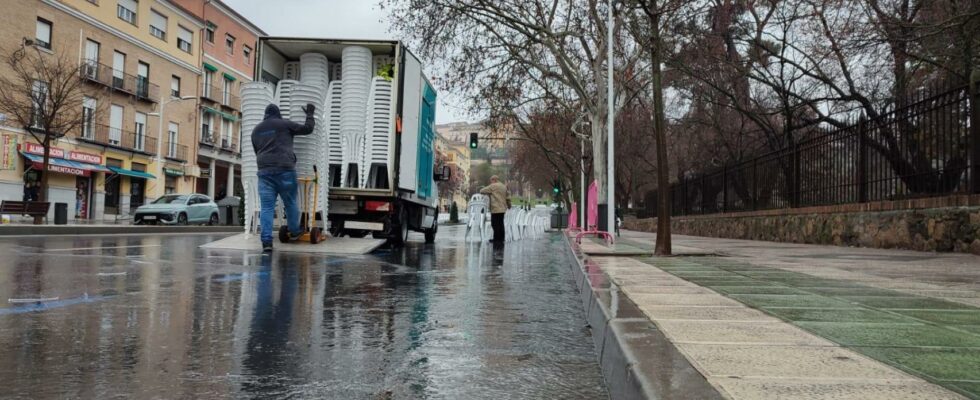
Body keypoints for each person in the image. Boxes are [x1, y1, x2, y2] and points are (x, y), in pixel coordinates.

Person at [252, 103, 316, 252]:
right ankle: (294, 231)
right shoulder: (284, 124)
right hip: (285, 170)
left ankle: (267, 242)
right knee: (290, 202)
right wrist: (310, 114)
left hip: (265, 173)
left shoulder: (256, 130)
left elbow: (257, 151)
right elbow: (308, 129)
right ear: (278, 114)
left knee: (267, 208)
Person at [480, 175, 508, 243]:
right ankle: (501, 238)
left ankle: (496, 239)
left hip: (495, 208)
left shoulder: (493, 186)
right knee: (501, 224)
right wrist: (509, 205)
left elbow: (482, 191)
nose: (491, 182)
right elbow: (508, 197)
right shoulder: (504, 187)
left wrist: (489, 191)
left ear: (494, 180)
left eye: (491, 181)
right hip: (502, 208)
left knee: (494, 224)